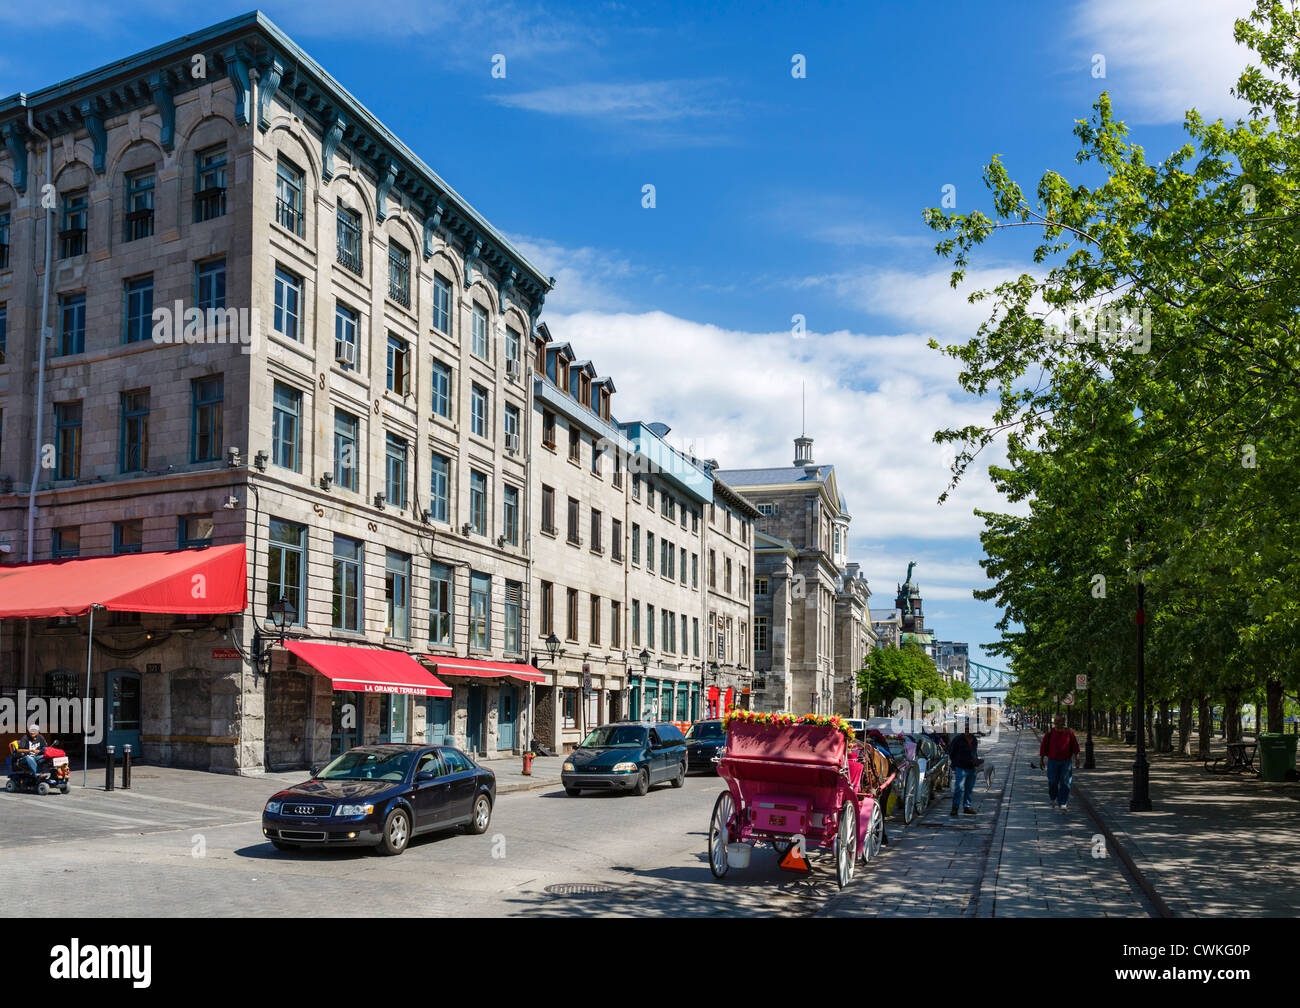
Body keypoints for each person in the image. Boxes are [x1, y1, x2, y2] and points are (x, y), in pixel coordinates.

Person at [1040, 715, 1081, 812]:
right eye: (1055, 721)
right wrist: (1041, 760)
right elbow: (1043, 746)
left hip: (1066, 762)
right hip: (1052, 761)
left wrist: (1077, 759)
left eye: (1058, 721)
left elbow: (1075, 747)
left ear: (1063, 722)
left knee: (1065, 782)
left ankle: (1063, 802)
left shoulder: (1069, 732)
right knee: (1052, 781)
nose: (1056, 723)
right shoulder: (1050, 732)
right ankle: (1053, 797)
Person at [948, 721, 980, 816]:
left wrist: (976, 760)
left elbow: (974, 752)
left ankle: (967, 806)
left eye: (968, 729)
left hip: (971, 768)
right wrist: (955, 763)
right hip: (961, 767)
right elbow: (951, 752)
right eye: (965, 729)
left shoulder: (974, 740)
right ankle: (955, 808)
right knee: (958, 788)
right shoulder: (957, 739)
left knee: (969, 788)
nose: (967, 731)